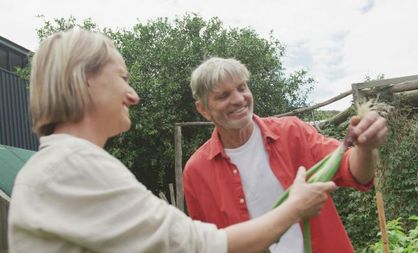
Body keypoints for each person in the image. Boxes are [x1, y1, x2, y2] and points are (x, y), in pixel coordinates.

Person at [8, 29, 337, 253]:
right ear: (84, 81)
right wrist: (295, 207)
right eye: (123, 77)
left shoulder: (61, 166)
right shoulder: (73, 166)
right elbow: (194, 244)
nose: (133, 96)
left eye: (242, 88)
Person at [184, 57, 388, 252]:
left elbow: (354, 172)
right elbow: (207, 245)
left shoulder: (292, 132)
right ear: (203, 109)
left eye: (242, 87)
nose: (238, 99)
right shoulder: (197, 171)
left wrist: (365, 148)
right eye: (223, 95)